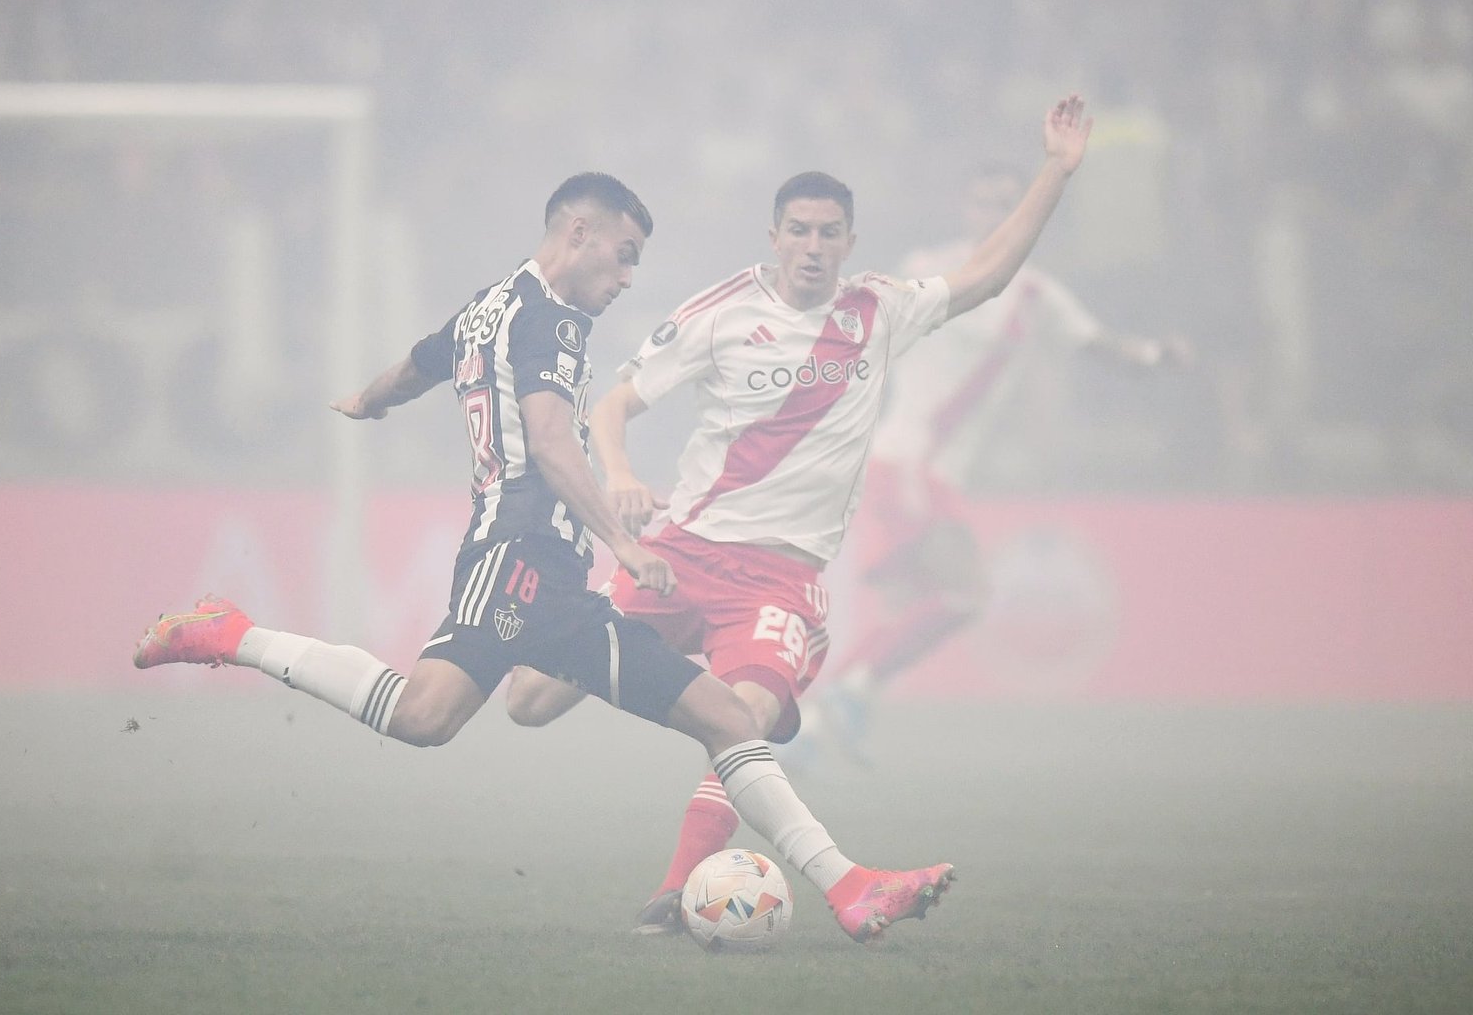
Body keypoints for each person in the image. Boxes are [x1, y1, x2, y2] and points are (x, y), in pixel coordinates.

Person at [132, 172, 952, 944]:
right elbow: (554, 441)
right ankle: (850, 887)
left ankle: (230, 633)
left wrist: (369, 399)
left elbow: (420, 363)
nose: (627, 277)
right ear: (579, 232)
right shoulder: (553, 320)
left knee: (430, 717)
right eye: (624, 255)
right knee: (717, 719)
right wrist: (623, 542)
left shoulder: (490, 304)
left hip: (512, 562)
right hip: (529, 560)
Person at [504, 96, 1095, 933]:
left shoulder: (878, 310)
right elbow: (614, 403)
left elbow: (989, 273)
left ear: (849, 243)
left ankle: (673, 894)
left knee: (742, 721)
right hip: (681, 552)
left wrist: (1056, 171)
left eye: (829, 233)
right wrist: (624, 473)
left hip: (778, 581)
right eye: (800, 231)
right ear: (775, 237)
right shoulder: (722, 311)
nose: (813, 246)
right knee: (528, 701)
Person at [804, 162, 1193, 762]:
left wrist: (1156, 355)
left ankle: (809, 730)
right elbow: (864, 331)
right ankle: (845, 695)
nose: (991, 216)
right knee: (964, 593)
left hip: (936, 472)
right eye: (981, 203)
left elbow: (1099, 346)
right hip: (908, 462)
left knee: (916, 608)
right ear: (964, 210)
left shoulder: (1036, 293)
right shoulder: (929, 270)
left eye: (1005, 204)